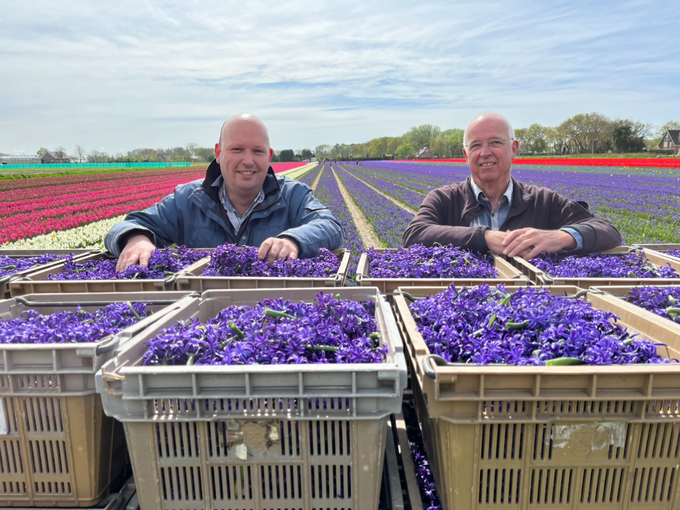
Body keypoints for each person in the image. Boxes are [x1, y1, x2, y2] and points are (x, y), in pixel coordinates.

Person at [106, 114, 344, 270]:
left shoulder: (293, 195)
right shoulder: (188, 199)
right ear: (219, 153)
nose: (248, 161)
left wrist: (293, 241)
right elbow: (129, 224)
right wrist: (136, 239)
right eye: (237, 149)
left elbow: (330, 226)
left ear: (269, 157)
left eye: (258, 151)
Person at [402, 112, 622, 258]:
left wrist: (559, 237)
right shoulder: (444, 200)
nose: (485, 152)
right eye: (476, 145)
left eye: (496, 142)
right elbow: (414, 235)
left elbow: (608, 231)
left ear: (514, 149)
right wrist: (484, 238)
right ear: (466, 155)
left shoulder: (543, 201)